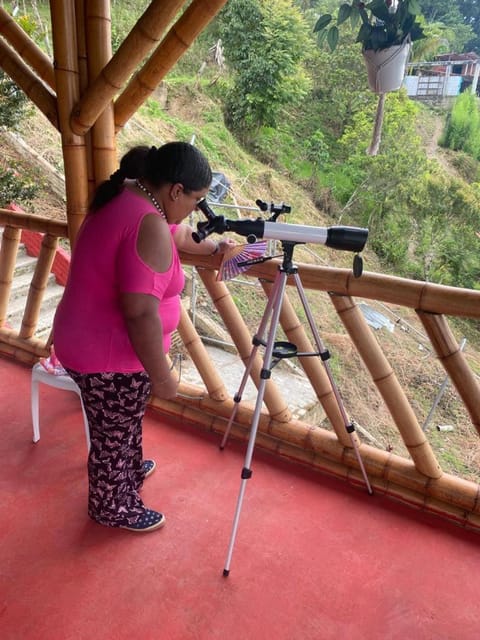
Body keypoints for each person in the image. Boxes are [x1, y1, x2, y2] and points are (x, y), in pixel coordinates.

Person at [52, 142, 234, 533]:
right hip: (107, 354)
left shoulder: (130, 196)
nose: (196, 209)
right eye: (196, 200)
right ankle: (110, 505)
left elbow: (181, 233)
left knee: (123, 420)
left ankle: (129, 470)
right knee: (112, 432)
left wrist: (218, 246)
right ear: (175, 191)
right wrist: (163, 374)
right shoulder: (146, 220)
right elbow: (139, 313)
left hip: (87, 340)